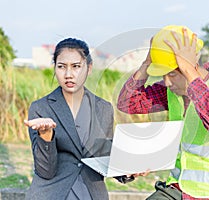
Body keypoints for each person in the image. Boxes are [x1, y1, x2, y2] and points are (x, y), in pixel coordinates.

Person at [117, 25, 209, 199]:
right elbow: (128, 103)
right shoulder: (170, 91)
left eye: (172, 74)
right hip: (178, 189)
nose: (167, 82)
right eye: (163, 74)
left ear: (191, 65)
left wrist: (189, 73)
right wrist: (147, 63)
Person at [24, 38, 134, 200]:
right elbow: (45, 171)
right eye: (61, 67)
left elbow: (103, 156)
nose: (69, 74)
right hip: (52, 194)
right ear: (55, 68)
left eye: (76, 66)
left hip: (91, 193)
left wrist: (127, 171)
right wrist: (46, 136)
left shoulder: (103, 108)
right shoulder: (41, 108)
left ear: (88, 68)